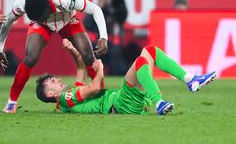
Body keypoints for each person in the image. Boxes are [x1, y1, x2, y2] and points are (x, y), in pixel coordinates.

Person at [0, 0, 108, 113]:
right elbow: (8, 21)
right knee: (30, 58)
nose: (43, 20)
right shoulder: (22, 3)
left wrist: (103, 37)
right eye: (38, 18)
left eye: (43, 17)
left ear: (50, 7)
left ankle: (102, 97)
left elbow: (95, 9)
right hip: (42, 24)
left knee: (88, 56)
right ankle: (12, 102)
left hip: (66, 19)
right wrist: (0, 47)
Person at [36, 39, 217, 115]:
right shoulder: (65, 99)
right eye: (52, 82)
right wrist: (100, 68)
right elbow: (95, 88)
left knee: (150, 52)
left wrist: (72, 49)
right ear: (51, 95)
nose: (57, 80)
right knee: (142, 60)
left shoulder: (71, 96)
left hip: (124, 103)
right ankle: (160, 102)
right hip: (120, 104)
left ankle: (189, 80)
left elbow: (81, 68)